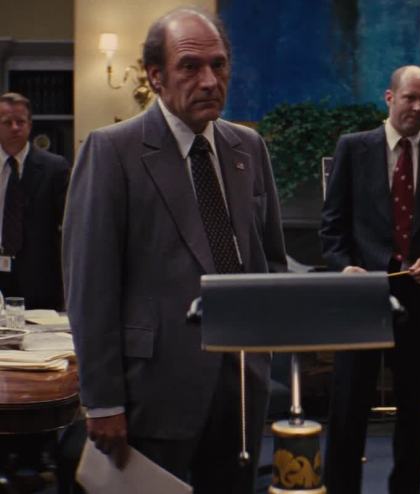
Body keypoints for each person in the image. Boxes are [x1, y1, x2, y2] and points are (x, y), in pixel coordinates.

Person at [62, 7, 287, 492]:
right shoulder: (112, 151)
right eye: (190, 66)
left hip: (240, 389)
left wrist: (262, 355)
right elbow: (90, 288)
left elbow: (269, 263)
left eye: (219, 65)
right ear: (156, 76)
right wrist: (102, 401)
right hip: (151, 393)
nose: (209, 80)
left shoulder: (249, 148)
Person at [320, 65, 420, 493]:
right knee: (348, 409)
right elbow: (332, 226)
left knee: (413, 413)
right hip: (361, 298)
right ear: (389, 98)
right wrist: (344, 267)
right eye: (410, 98)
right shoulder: (353, 148)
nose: (418, 107)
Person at [0, 92, 69, 310]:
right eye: (7, 122)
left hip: (39, 279)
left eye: (20, 122)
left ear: (30, 125)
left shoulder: (54, 168)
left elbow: (69, 224)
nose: (15, 128)